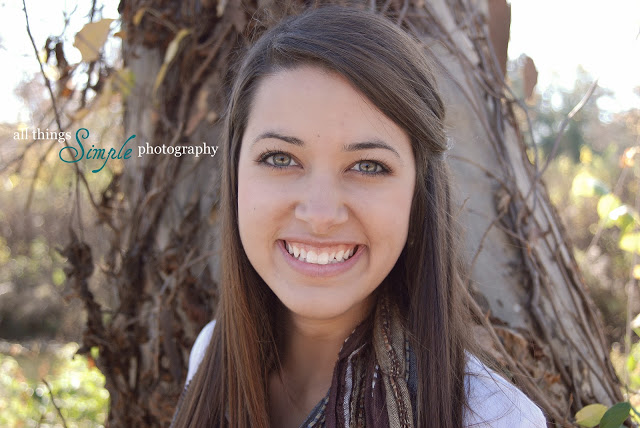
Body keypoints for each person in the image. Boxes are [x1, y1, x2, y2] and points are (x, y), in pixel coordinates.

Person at [171, 5, 547, 428]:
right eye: (280, 158)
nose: (320, 215)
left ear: (418, 195)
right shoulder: (210, 354)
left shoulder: (492, 418)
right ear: (235, 175)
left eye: (368, 166)